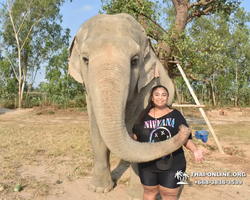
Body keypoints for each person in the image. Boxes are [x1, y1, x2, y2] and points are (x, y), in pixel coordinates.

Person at [132, 85, 207, 200]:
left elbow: (185, 138)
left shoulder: (175, 115)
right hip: (147, 162)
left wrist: (195, 150)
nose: (160, 98)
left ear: (167, 98)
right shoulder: (143, 115)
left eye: (164, 95)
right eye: (157, 95)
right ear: (152, 98)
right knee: (149, 191)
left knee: (169, 194)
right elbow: (136, 136)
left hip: (173, 162)